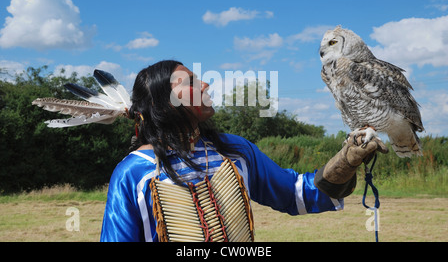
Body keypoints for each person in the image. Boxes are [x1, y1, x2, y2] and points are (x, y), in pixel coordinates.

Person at [100, 60, 388, 242]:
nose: (204, 84)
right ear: (163, 105)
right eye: (189, 83)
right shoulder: (134, 172)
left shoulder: (236, 151)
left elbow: (294, 193)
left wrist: (345, 163)